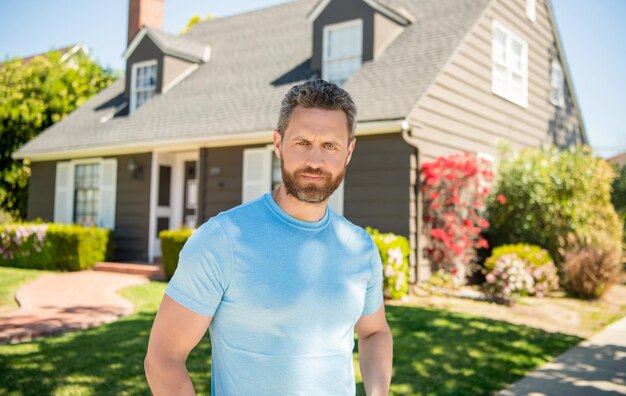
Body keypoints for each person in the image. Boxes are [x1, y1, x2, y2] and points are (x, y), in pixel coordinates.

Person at [144, 80, 393, 395]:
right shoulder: (222, 240)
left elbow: (374, 333)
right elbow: (163, 357)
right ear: (278, 143)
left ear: (349, 151)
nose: (315, 160)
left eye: (330, 145)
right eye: (302, 142)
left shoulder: (359, 247)